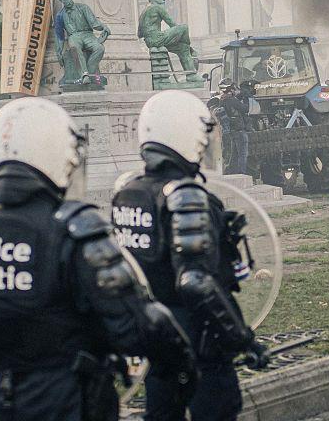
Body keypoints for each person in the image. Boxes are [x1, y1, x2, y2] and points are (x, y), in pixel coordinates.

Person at [0, 97, 195, 421]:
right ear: (53, 152)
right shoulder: (74, 227)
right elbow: (135, 324)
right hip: (69, 396)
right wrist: (182, 363)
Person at [111, 90, 270, 421]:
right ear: (184, 132)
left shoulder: (128, 191)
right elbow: (196, 282)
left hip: (155, 331)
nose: (203, 143)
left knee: (162, 413)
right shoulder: (185, 194)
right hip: (198, 334)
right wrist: (241, 338)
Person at [137, 0, 201, 82]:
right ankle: (191, 51)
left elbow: (139, 34)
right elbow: (171, 23)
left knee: (183, 48)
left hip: (149, 41)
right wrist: (178, 36)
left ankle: (191, 75)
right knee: (184, 27)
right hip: (157, 38)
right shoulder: (157, 7)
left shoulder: (143, 12)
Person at [55, 0, 110, 83]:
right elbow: (60, 36)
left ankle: (90, 70)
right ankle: (84, 74)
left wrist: (104, 27)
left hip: (88, 34)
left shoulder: (83, 8)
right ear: (62, 1)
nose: (67, 1)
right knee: (74, 48)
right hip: (73, 36)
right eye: (64, 0)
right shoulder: (60, 15)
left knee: (100, 48)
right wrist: (59, 51)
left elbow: (94, 23)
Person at [217, 78, 251, 175]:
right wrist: (246, 98)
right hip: (239, 131)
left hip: (231, 131)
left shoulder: (222, 100)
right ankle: (242, 174)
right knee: (242, 155)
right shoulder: (232, 100)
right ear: (229, 89)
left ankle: (231, 173)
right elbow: (245, 109)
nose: (234, 90)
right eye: (233, 88)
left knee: (234, 155)